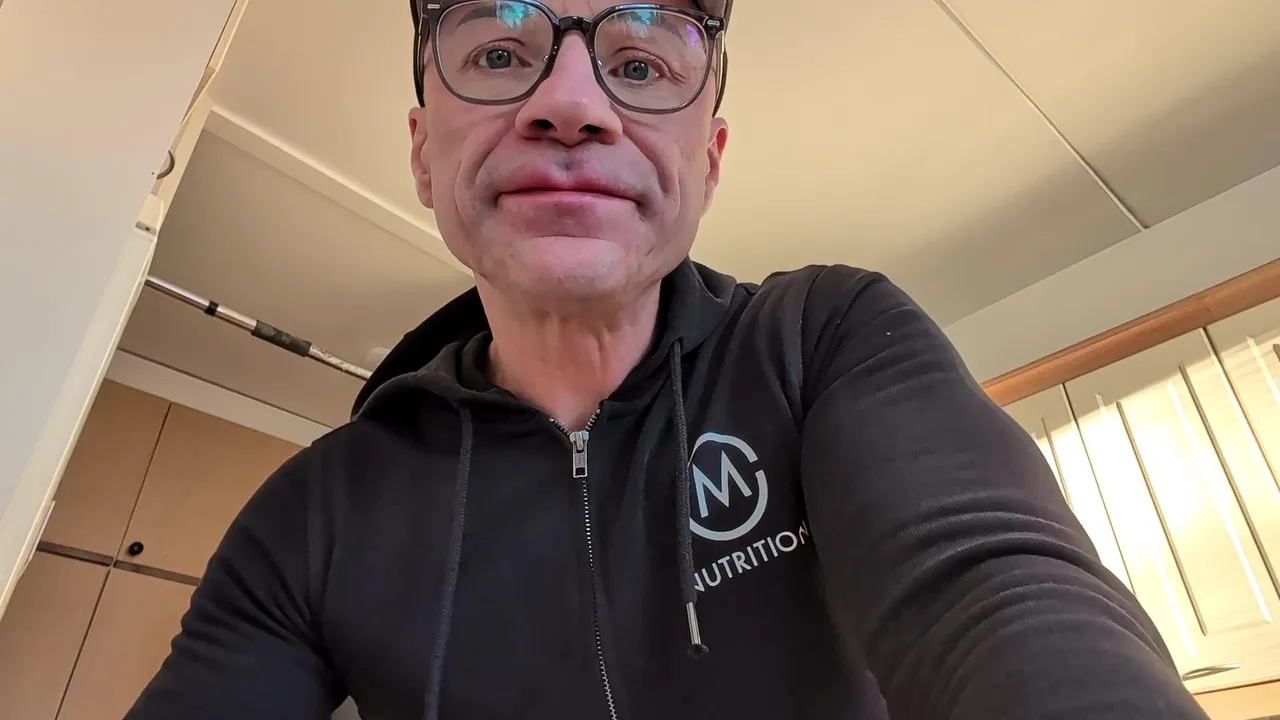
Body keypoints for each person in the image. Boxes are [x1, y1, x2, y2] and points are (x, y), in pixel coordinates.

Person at [127, 1, 1210, 718]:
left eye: (640, 63)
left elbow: (992, 590)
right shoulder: (311, 516)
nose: (569, 106)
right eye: (499, 54)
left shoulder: (825, 341)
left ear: (709, 162)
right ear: (422, 154)